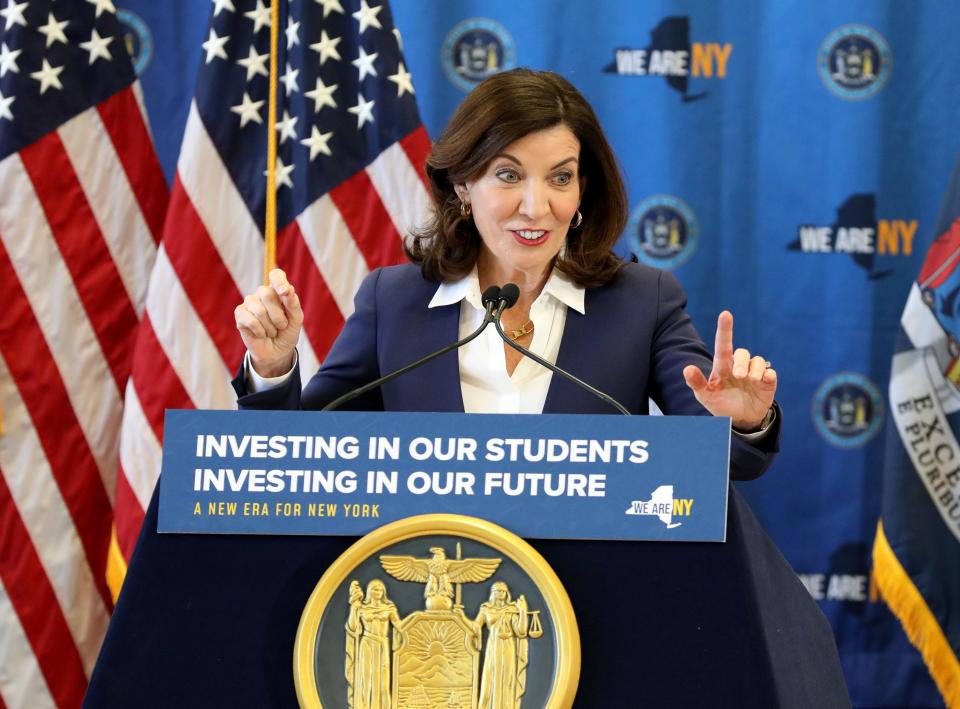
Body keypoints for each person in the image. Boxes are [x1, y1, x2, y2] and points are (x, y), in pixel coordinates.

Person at [232, 68, 780, 480]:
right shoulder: (393, 303)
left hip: (589, 601)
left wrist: (740, 423)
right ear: (463, 186)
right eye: (508, 175)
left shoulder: (644, 302)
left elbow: (725, 459)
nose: (535, 206)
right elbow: (296, 457)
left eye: (560, 178)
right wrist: (274, 367)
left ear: (582, 189)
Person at [472, 581, 530, 709]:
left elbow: (521, 631)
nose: (501, 593)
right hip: (493, 646)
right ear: (493, 593)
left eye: (503, 591)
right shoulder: (486, 609)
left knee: (507, 676)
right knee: (491, 675)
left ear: (507, 593)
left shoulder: (511, 609)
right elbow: (476, 625)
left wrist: (523, 611)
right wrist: (461, 617)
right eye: (498, 590)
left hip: (508, 645)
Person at [345, 579, 401, 709]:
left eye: (380, 589)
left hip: (382, 645)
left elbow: (399, 625)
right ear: (369, 592)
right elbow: (353, 627)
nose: (378, 592)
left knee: (384, 680)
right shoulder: (362, 608)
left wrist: (414, 621)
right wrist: (354, 608)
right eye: (374, 589)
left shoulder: (389, 608)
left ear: (384, 592)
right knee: (366, 679)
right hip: (367, 644)